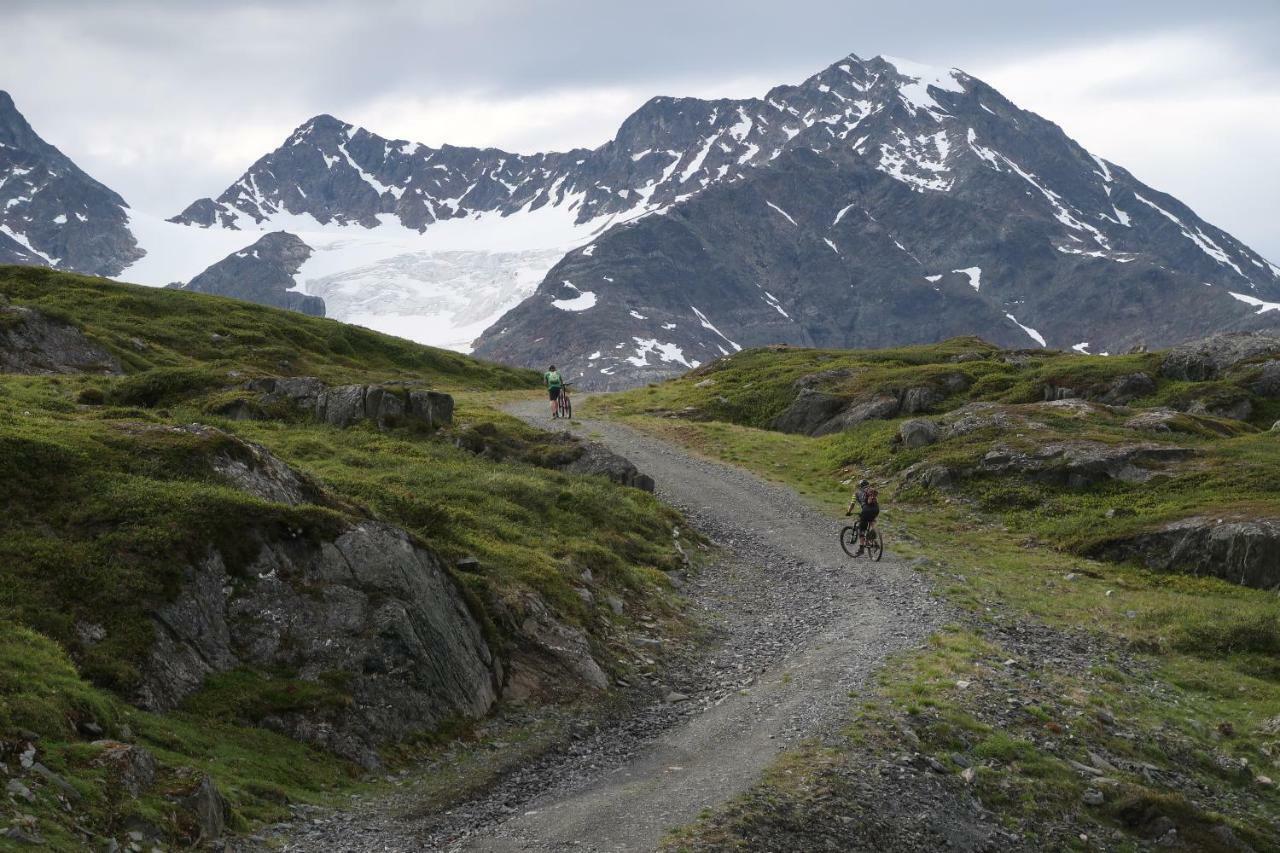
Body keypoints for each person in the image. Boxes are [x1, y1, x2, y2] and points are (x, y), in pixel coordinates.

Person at [845, 479, 880, 556]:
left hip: (866, 511)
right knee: (871, 521)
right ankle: (873, 535)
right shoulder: (871, 491)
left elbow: (852, 504)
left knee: (861, 529)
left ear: (860, 486)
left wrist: (848, 512)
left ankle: (861, 549)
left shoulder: (856, 493)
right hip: (876, 509)